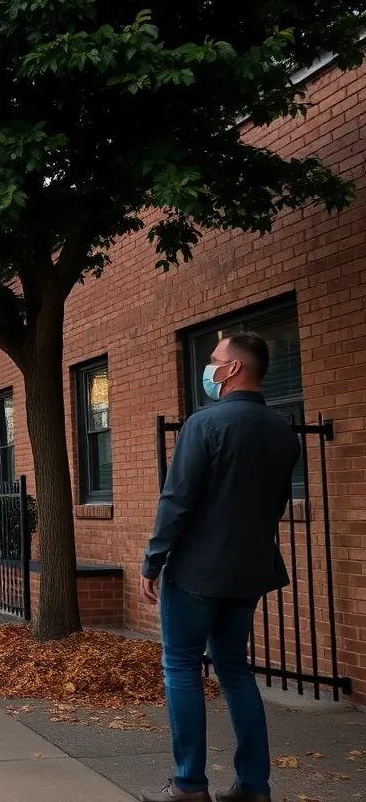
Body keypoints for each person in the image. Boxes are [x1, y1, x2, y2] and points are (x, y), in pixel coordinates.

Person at [140, 332, 300, 802]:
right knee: (235, 669)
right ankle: (254, 787)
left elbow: (177, 499)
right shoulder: (282, 431)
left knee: (182, 667)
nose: (208, 367)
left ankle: (189, 784)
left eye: (214, 360)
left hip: (196, 571)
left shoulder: (204, 424)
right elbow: (276, 505)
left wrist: (154, 558)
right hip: (248, 570)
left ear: (233, 370)